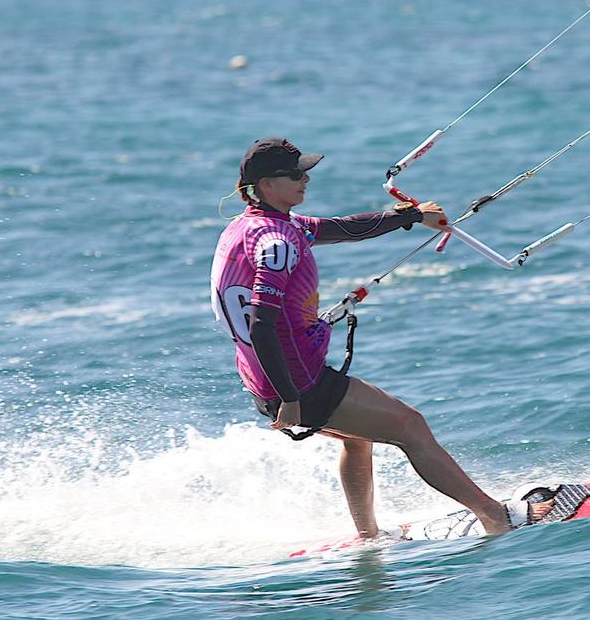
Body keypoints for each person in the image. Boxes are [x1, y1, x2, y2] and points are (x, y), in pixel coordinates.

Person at [210, 137, 554, 537]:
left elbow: (340, 229)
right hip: (294, 381)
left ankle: (367, 536)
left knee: (358, 440)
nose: (305, 179)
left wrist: (409, 216)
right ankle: (495, 516)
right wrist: (289, 397)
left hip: (266, 378)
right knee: (410, 426)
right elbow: (261, 325)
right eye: (295, 174)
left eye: (306, 171)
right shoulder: (277, 243)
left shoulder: (253, 227)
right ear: (266, 185)